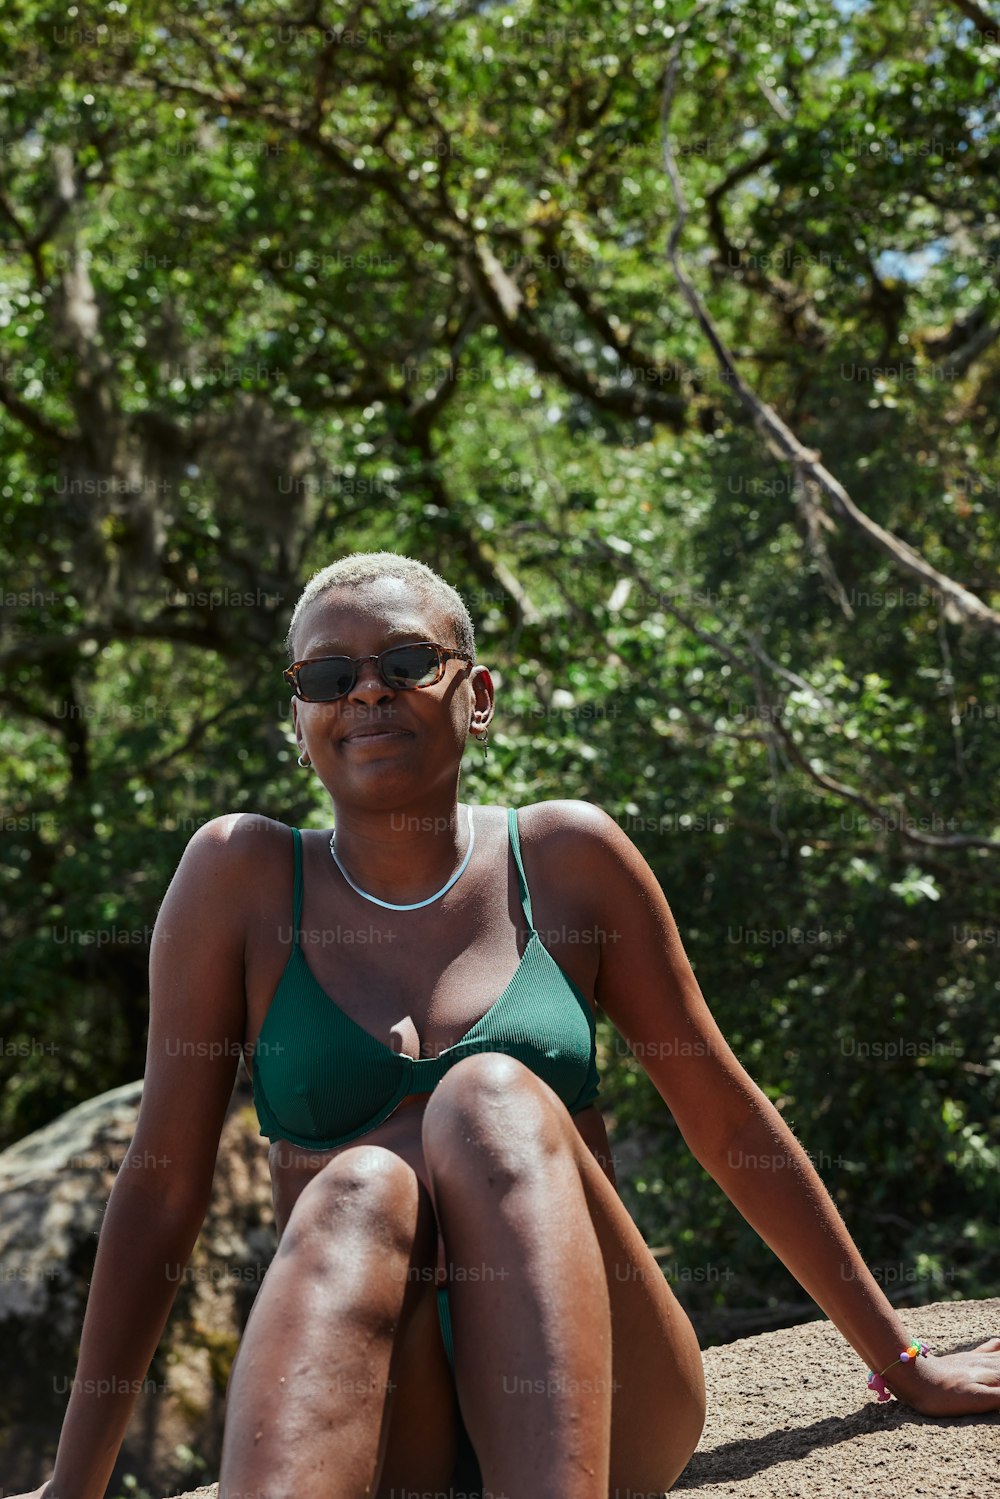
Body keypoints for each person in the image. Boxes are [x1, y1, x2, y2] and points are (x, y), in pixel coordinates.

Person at [12, 550, 1000, 1499]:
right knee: (359, 1180)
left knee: (488, 1095)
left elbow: (727, 1121)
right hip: (391, 1404)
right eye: (328, 673)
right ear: (298, 713)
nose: (366, 691)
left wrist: (903, 1361)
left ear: (476, 694)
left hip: (603, 1395)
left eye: (405, 662)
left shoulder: (568, 858)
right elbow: (163, 1184)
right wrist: (74, 1483)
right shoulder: (240, 875)